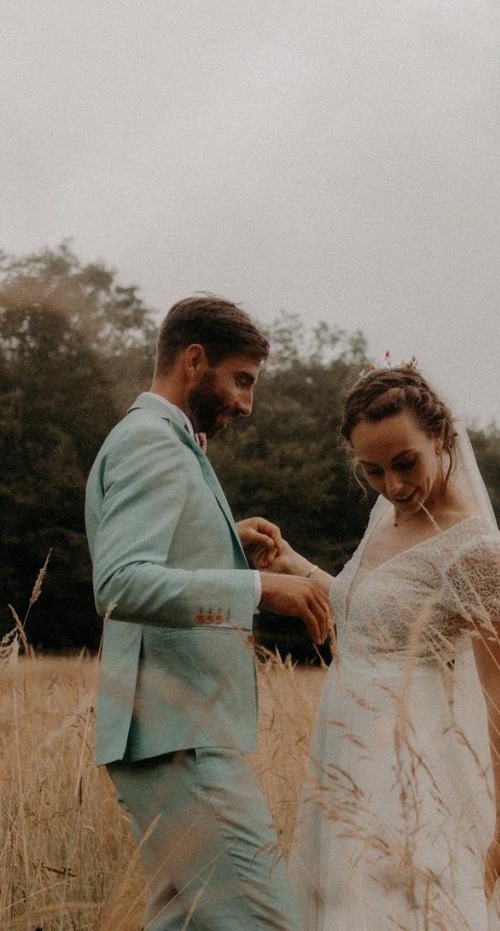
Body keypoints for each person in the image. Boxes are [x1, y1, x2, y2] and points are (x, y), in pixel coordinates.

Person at [257, 363, 500, 930]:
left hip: (415, 762)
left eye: (405, 463)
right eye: (372, 471)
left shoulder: (477, 550)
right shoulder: (387, 521)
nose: (393, 485)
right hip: (344, 748)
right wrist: (292, 563)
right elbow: (362, 606)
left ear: (440, 438)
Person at [84, 294, 331, 931]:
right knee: (275, 921)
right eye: (242, 380)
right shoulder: (152, 442)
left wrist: (227, 542)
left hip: (170, 734)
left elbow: (154, 561)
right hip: (177, 736)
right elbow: (121, 583)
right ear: (195, 361)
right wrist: (260, 592)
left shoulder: (161, 439)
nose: (247, 403)